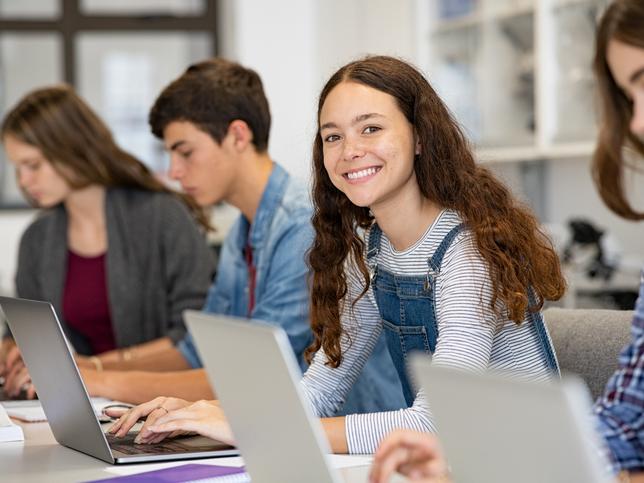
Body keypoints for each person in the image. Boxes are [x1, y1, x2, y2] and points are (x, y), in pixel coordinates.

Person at [107, 55, 566, 454]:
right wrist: (204, 412)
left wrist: (254, 429)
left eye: (371, 128)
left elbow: (435, 422)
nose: (350, 151)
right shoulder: (371, 250)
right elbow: (319, 391)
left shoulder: (464, 253)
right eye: (332, 137)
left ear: (420, 137)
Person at [370, 0, 644, 481]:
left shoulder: (463, 249)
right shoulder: (371, 247)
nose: (637, 122)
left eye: (643, 80)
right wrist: (492, 463)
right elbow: (624, 427)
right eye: (629, 96)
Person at [80, 58, 405, 412]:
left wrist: (100, 380)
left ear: (237, 135)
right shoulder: (242, 231)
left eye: (185, 152)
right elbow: (196, 350)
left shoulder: (303, 225)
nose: (174, 172)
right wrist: (91, 367)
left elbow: (255, 372)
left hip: (351, 442)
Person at [0, 85, 215, 399]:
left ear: (71, 150)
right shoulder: (38, 237)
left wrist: (89, 369)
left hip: (160, 402)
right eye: (17, 168)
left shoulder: (162, 217)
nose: (23, 181)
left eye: (33, 166)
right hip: (79, 400)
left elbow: (193, 335)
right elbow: (26, 327)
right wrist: (13, 347)